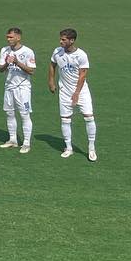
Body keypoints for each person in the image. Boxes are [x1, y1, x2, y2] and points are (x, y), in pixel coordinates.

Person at [49, 27, 96, 161]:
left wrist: (76, 93)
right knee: (65, 119)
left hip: (81, 91)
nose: (60, 42)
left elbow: (83, 76)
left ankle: (91, 148)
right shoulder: (57, 52)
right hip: (64, 91)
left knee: (89, 117)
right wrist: (51, 81)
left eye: (63, 40)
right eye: (60, 39)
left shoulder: (81, 55)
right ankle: (68, 148)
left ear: (72, 40)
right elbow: (52, 65)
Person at [0, 27, 36, 153]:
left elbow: (31, 70)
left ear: (18, 37)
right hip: (9, 86)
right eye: (7, 37)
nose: (8, 39)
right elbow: (0, 69)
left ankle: (26, 143)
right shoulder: (4, 50)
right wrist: (7, 63)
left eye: (11, 37)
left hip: (23, 87)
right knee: (9, 113)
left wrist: (17, 62)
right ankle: (12, 140)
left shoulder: (28, 51)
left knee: (24, 114)